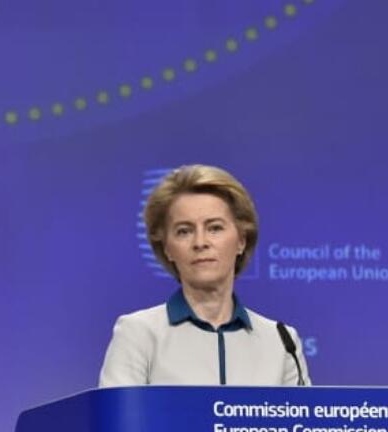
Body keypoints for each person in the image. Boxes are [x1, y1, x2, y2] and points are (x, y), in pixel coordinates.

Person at [98, 164, 309, 386]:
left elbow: (301, 420)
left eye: (215, 228)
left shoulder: (282, 342)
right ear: (167, 248)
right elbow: (118, 420)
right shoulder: (138, 334)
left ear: (241, 241)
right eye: (184, 231)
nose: (200, 243)